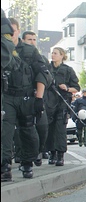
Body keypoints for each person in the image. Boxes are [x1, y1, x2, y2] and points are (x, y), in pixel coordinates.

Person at [1, 16, 50, 181]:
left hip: (27, 97)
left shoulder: (29, 51)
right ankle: (5, 166)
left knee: (28, 130)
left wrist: (39, 98)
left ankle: (28, 162)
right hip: (7, 96)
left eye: (12, 31)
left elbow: (42, 73)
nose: (9, 35)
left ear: (17, 31)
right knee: (5, 131)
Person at [44, 47, 80, 166]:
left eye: (55, 53)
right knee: (49, 128)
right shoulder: (47, 68)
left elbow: (76, 88)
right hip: (48, 102)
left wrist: (67, 88)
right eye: (52, 53)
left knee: (60, 129)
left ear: (62, 55)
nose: (53, 55)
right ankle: (51, 153)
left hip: (62, 102)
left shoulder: (68, 70)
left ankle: (60, 155)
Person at [20, 31, 49, 163]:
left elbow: (45, 76)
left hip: (35, 96)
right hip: (20, 97)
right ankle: (27, 156)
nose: (32, 42)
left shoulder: (40, 58)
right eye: (29, 39)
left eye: (34, 39)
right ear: (23, 40)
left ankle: (39, 150)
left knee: (42, 126)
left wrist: (39, 97)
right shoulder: (16, 55)